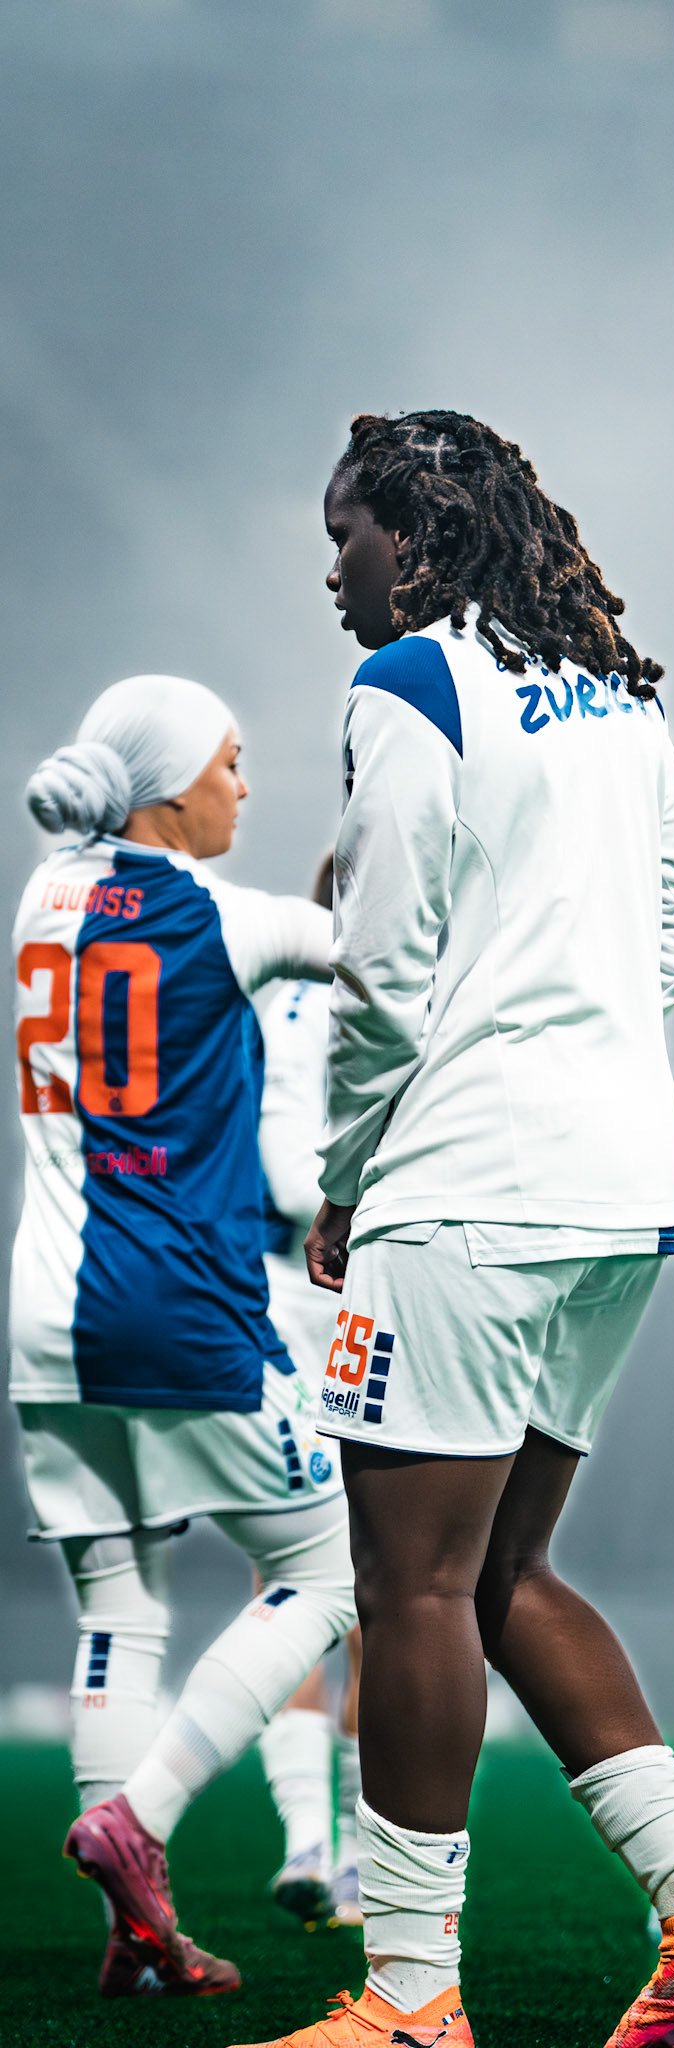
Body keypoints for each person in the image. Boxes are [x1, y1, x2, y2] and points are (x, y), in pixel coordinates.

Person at [240, 409, 674, 2048]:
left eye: (342, 530)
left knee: (407, 1581)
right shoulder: (617, 696)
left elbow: (383, 963)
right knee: (504, 1572)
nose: (328, 564)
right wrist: (572, 1013)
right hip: (621, 1183)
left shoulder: (407, 683)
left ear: (408, 536)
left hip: (465, 1178)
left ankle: (408, 2000)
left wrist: (339, 1165)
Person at [12, 675, 355, 1998]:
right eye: (231, 763)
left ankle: (135, 1934)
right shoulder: (220, 918)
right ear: (166, 789)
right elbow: (375, 964)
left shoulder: (40, 896)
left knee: (117, 1607)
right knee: (329, 1574)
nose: (246, 788)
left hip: (45, 1310)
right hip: (175, 1303)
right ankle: (139, 1820)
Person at [255, 851, 366, 1930]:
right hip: (360, 1280)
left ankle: (305, 1838)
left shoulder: (264, 985)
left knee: (288, 1568)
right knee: (393, 1570)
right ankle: (367, 1863)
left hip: (266, 1285)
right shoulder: (388, 989)